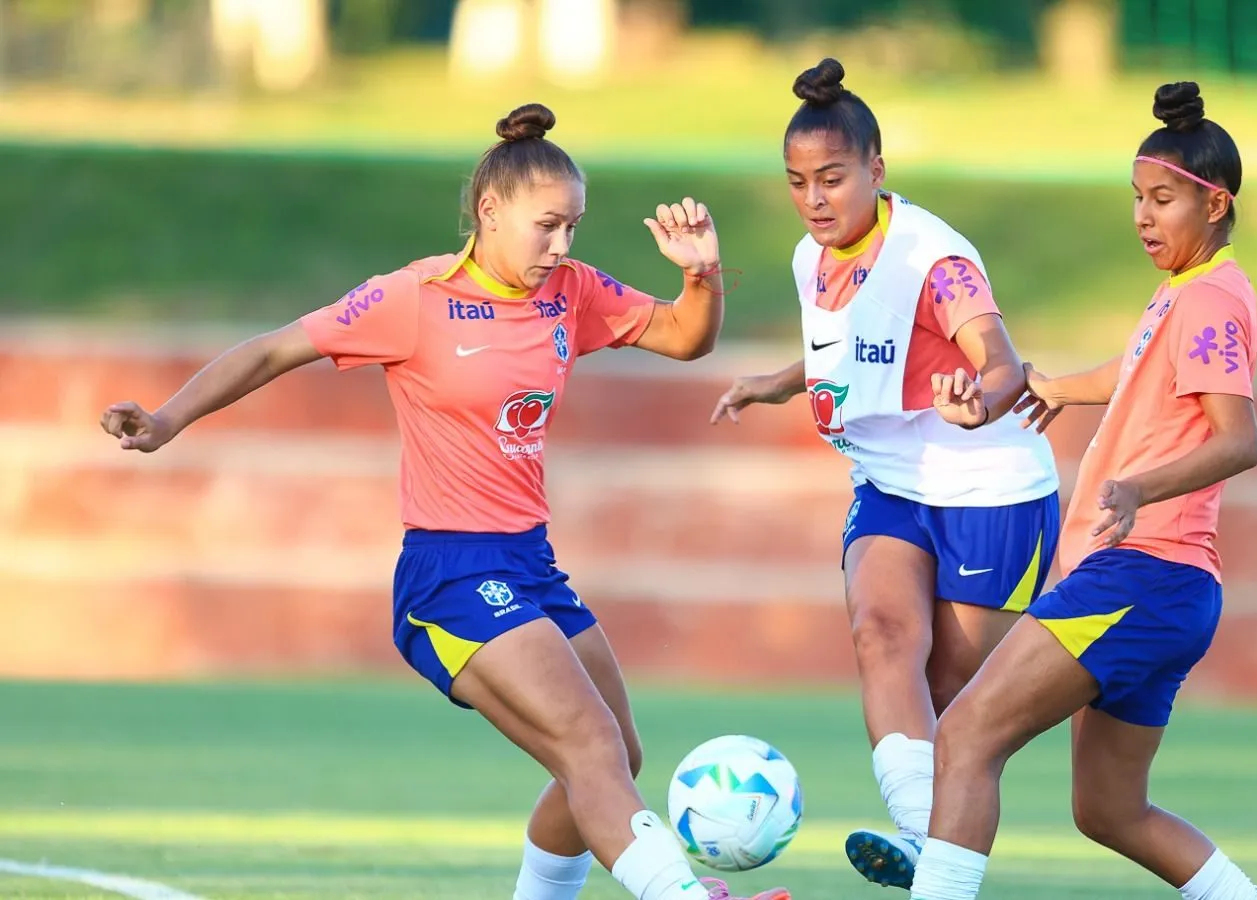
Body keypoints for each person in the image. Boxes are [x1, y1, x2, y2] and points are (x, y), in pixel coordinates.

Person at [99, 103, 789, 900]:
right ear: (490, 212)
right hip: (452, 572)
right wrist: (166, 420)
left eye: (573, 227)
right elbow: (273, 350)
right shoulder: (414, 297)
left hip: (530, 564)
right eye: (547, 226)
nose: (562, 246)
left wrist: (701, 274)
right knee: (590, 744)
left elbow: (684, 337)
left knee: (613, 756)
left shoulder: (570, 291)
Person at [905, 81, 1257, 900]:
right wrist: (1060, 388)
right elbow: (1142, 372)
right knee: (1108, 809)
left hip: (1141, 573)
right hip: (1171, 589)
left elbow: (1239, 438)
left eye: (1163, 200)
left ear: (1215, 205)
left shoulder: (1209, 296)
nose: (1143, 216)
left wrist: (1138, 487)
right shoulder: (1192, 288)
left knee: (966, 734)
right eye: (1137, 198)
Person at [709, 58, 1062, 889]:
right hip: (890, 484)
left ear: (876, 168)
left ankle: (936, 858)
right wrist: (776, 382)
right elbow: (855, 344)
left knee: (952, 698)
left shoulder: (933, 259)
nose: (814, 199)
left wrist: (978, 402)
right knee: (880, 633)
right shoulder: (811, 257)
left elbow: (1003, 362)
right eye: (798, 182)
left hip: (991, 491)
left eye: (832, 178)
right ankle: (917, 837)